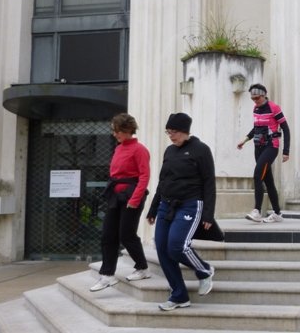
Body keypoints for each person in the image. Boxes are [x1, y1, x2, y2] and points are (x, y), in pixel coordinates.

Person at [146, 113, 216, 311]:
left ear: (185, 131)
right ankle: (179, 295)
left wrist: (208, 213)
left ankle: (204, 270)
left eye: (174, 132)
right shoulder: (169, 151)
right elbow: (163, 181)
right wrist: (153, 208)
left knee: (177, 246)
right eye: (168, 132)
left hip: (190, 204)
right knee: (162, 249)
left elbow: (209, 183)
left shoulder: (201, 150)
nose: (171, 135)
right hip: (165, 206)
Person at [90, 113, 151, 292]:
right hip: (116, 196)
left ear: (128, 130)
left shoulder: (140, 149)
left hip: (131, 196)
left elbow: (144, 176)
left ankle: (142, 268)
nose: (115, 134)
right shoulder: (119, 148)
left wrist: (135, 199)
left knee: (127, 235)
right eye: (114, 131)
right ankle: (107, 275)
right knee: (108, 235)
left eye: (117, 131)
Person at [237, 84, 290, 223]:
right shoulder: (256, 108)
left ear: (264, 94)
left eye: (257, 98)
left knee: (257, 175)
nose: (255, 101)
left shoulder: (274, 108)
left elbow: (285, 128)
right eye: (253, 98)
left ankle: (257, 211)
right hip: (258, 147)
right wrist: (245, 140)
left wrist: (286, 151)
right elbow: (256, 128)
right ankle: (277, 213)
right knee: (268, 181)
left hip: (271, 147)